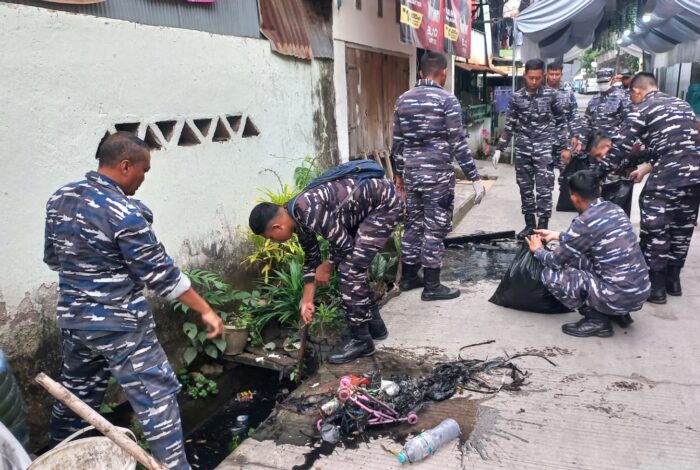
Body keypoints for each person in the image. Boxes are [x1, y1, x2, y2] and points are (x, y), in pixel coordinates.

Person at [44, 132, 224, 470]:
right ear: (125, 166)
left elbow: (53, 259)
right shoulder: (125, 213)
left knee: (76, 399)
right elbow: (162, 276)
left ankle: (56, 461)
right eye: (144, 171)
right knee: (157, 400)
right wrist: (207, 311)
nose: (143, 179)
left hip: (75, 322)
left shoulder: (60, 198)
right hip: (122, 327)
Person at [248, 169, 403, 364]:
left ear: (276, 227)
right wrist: (307, 300)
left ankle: (361, 340)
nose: (274, 241)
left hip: (384, 205)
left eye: (271, 237)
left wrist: (327, 266)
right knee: (349, 266)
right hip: (370, 208)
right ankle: (375, 326)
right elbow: (312, 257)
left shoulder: (307, 211)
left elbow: (344, 244)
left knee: (350, 270)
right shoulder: (295, 215)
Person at [602, 72, 700, 304]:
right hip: (697, 174)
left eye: (632, 96)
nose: (632, 101)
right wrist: (645, 169)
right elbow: (675, 145)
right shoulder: (683, 105)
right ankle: (673, 281)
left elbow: (620, 146)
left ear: (637, 91)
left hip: (669, 176)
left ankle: (656, 287)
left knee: (655, 228)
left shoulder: (642, 109)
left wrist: (599, 173)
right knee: (682, 226)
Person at [391, 51, 485, 301]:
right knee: (436, 226)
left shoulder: (403, 100)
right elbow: (458, 143)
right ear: (444, 73)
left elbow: (397, 143)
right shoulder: (447, 100)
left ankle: (409, 277)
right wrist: (475, 178)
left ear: (421, 72)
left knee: (413, 223)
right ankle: (432, 286)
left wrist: (399, 174)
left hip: (412, 174)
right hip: (437, 176)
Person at [527, 170, 650, 337]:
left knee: (550, 274)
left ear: (574, 197)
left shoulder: (584, 222)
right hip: (639, 291)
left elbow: (554, 261)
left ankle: (597, 320)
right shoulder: (615, 209)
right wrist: (557, 235)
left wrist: (537, 250)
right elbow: (590, 237)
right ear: (599, 189)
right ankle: (618, 313)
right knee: (580, 258)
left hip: (618, 297)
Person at [492, 58, 569, 236]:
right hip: (523, 149)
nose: (534, 82)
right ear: (525, 75)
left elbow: (561, 122)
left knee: (544, 189)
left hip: (544, 149)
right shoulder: (517, 97)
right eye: (531, 78)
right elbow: (510, 125)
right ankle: (529, 225)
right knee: (525, 188)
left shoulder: (551, 95)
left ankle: (542, 227)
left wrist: (565, 147)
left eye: (538, 78)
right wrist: (499, 148)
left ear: (543, 76)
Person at [569, 68, 630, 160]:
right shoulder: (594, 100)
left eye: (605, 82)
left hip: (614, 145)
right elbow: (587, 123)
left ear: (612, 80)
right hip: (595, 145)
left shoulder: (622, 97)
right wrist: (581, 142)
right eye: (600, 82)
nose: (602, 85)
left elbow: (628, 122)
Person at [546, 62, 579, 180]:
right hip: (545, 142)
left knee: (566, 178)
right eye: (551, 74)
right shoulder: (540, 93)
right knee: (545, 179)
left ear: (561, 74)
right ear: (546, 74)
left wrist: (575, 136)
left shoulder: (568, 94)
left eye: (557, 74)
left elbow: (573, 116)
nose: (554, 77)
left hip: (564, 142)